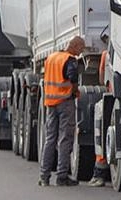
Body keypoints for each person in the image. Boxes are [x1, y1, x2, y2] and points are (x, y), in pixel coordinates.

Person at [39, 36, 85, 187]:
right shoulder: (70, 60)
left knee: (50, 139)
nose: (81, 53)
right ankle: (62, 176)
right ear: (75, 46)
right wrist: (76, 91)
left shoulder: (51, 57)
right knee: (65, 138)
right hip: (65, 102)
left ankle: (44, 176)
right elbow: (72, 77)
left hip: (50, 102)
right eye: (81, 49)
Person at [88, 37, 112, 187]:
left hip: (110, 96)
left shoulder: (105, 55)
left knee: (100, 135)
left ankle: (99, 174)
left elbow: (102, 79)